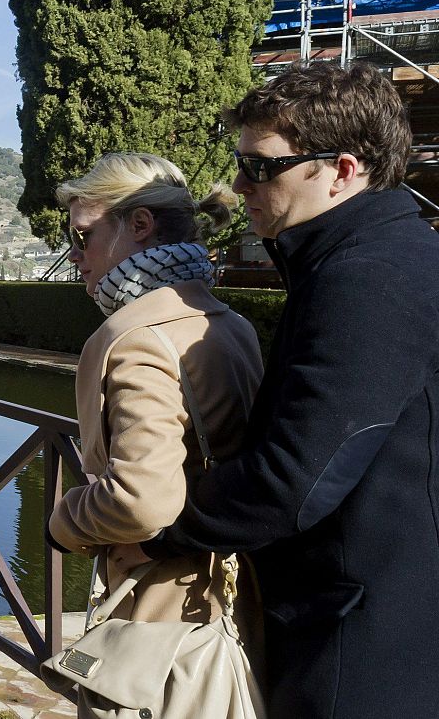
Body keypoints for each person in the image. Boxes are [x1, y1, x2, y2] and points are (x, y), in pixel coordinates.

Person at [129, 62, 439, 719]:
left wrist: (153, 529)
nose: (240, 184)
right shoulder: (371, 257)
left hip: (361, 643)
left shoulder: (368, 278)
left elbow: (293, 480)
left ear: (342, 170)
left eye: (261, 166)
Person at [45, 154, 263, 638]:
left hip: (163, 608)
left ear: (140, 225)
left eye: (83, 236)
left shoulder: (137, 337)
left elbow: (141, 499)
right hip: (231, 592)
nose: (75, 254)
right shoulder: (230, 324)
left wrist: (63, 521)